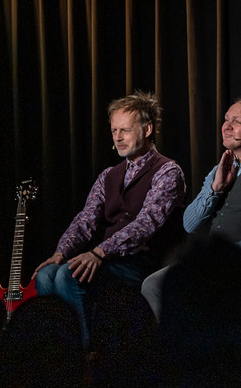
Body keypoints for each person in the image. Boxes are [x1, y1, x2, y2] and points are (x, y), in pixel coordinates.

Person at [33, 91, 186, 348]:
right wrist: (61, 252)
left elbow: (146, 224)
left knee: (68, 276)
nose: (118, 137)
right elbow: (86, 219)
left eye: (125, 130)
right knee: (46, 275)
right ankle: (56, 351)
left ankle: (85, 354)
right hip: (109, 258)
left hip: (141, 261)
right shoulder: (109, 175)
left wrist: (99, 252)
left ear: (147, 129)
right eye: (114, 130)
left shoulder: (168, 171)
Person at [141, 94, 241, 318]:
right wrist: (215, 189)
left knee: (198, 292)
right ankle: (183, 339)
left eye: (237, 122)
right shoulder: (221, 168)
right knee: (153, 285)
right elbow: (189, 224)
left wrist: (239, 249)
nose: (227, 126)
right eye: (226, 120)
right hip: (215, 262)